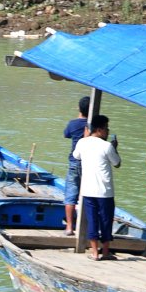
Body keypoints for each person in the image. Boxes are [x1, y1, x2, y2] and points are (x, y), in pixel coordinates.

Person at [72, 114, 120, 261]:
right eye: (106, 128)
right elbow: (117, 163)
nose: (107, 131)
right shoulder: (107, 146)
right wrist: (115, 148)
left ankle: (94, 253)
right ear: (99, 129)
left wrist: (85, 137)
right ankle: (105, 252)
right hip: (105, 192)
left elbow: (76, 156)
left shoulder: (82, 143)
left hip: (87, 190)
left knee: (92, 220)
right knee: (106, 221)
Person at [63, 95, 90, 235]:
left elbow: (66, 134)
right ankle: (85, 227)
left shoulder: (73, 124)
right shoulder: (92, 125)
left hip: (74, 162)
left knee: (70, 195)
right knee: (87, 195)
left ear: (79, 108)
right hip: (88, 164)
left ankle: (69, 227)